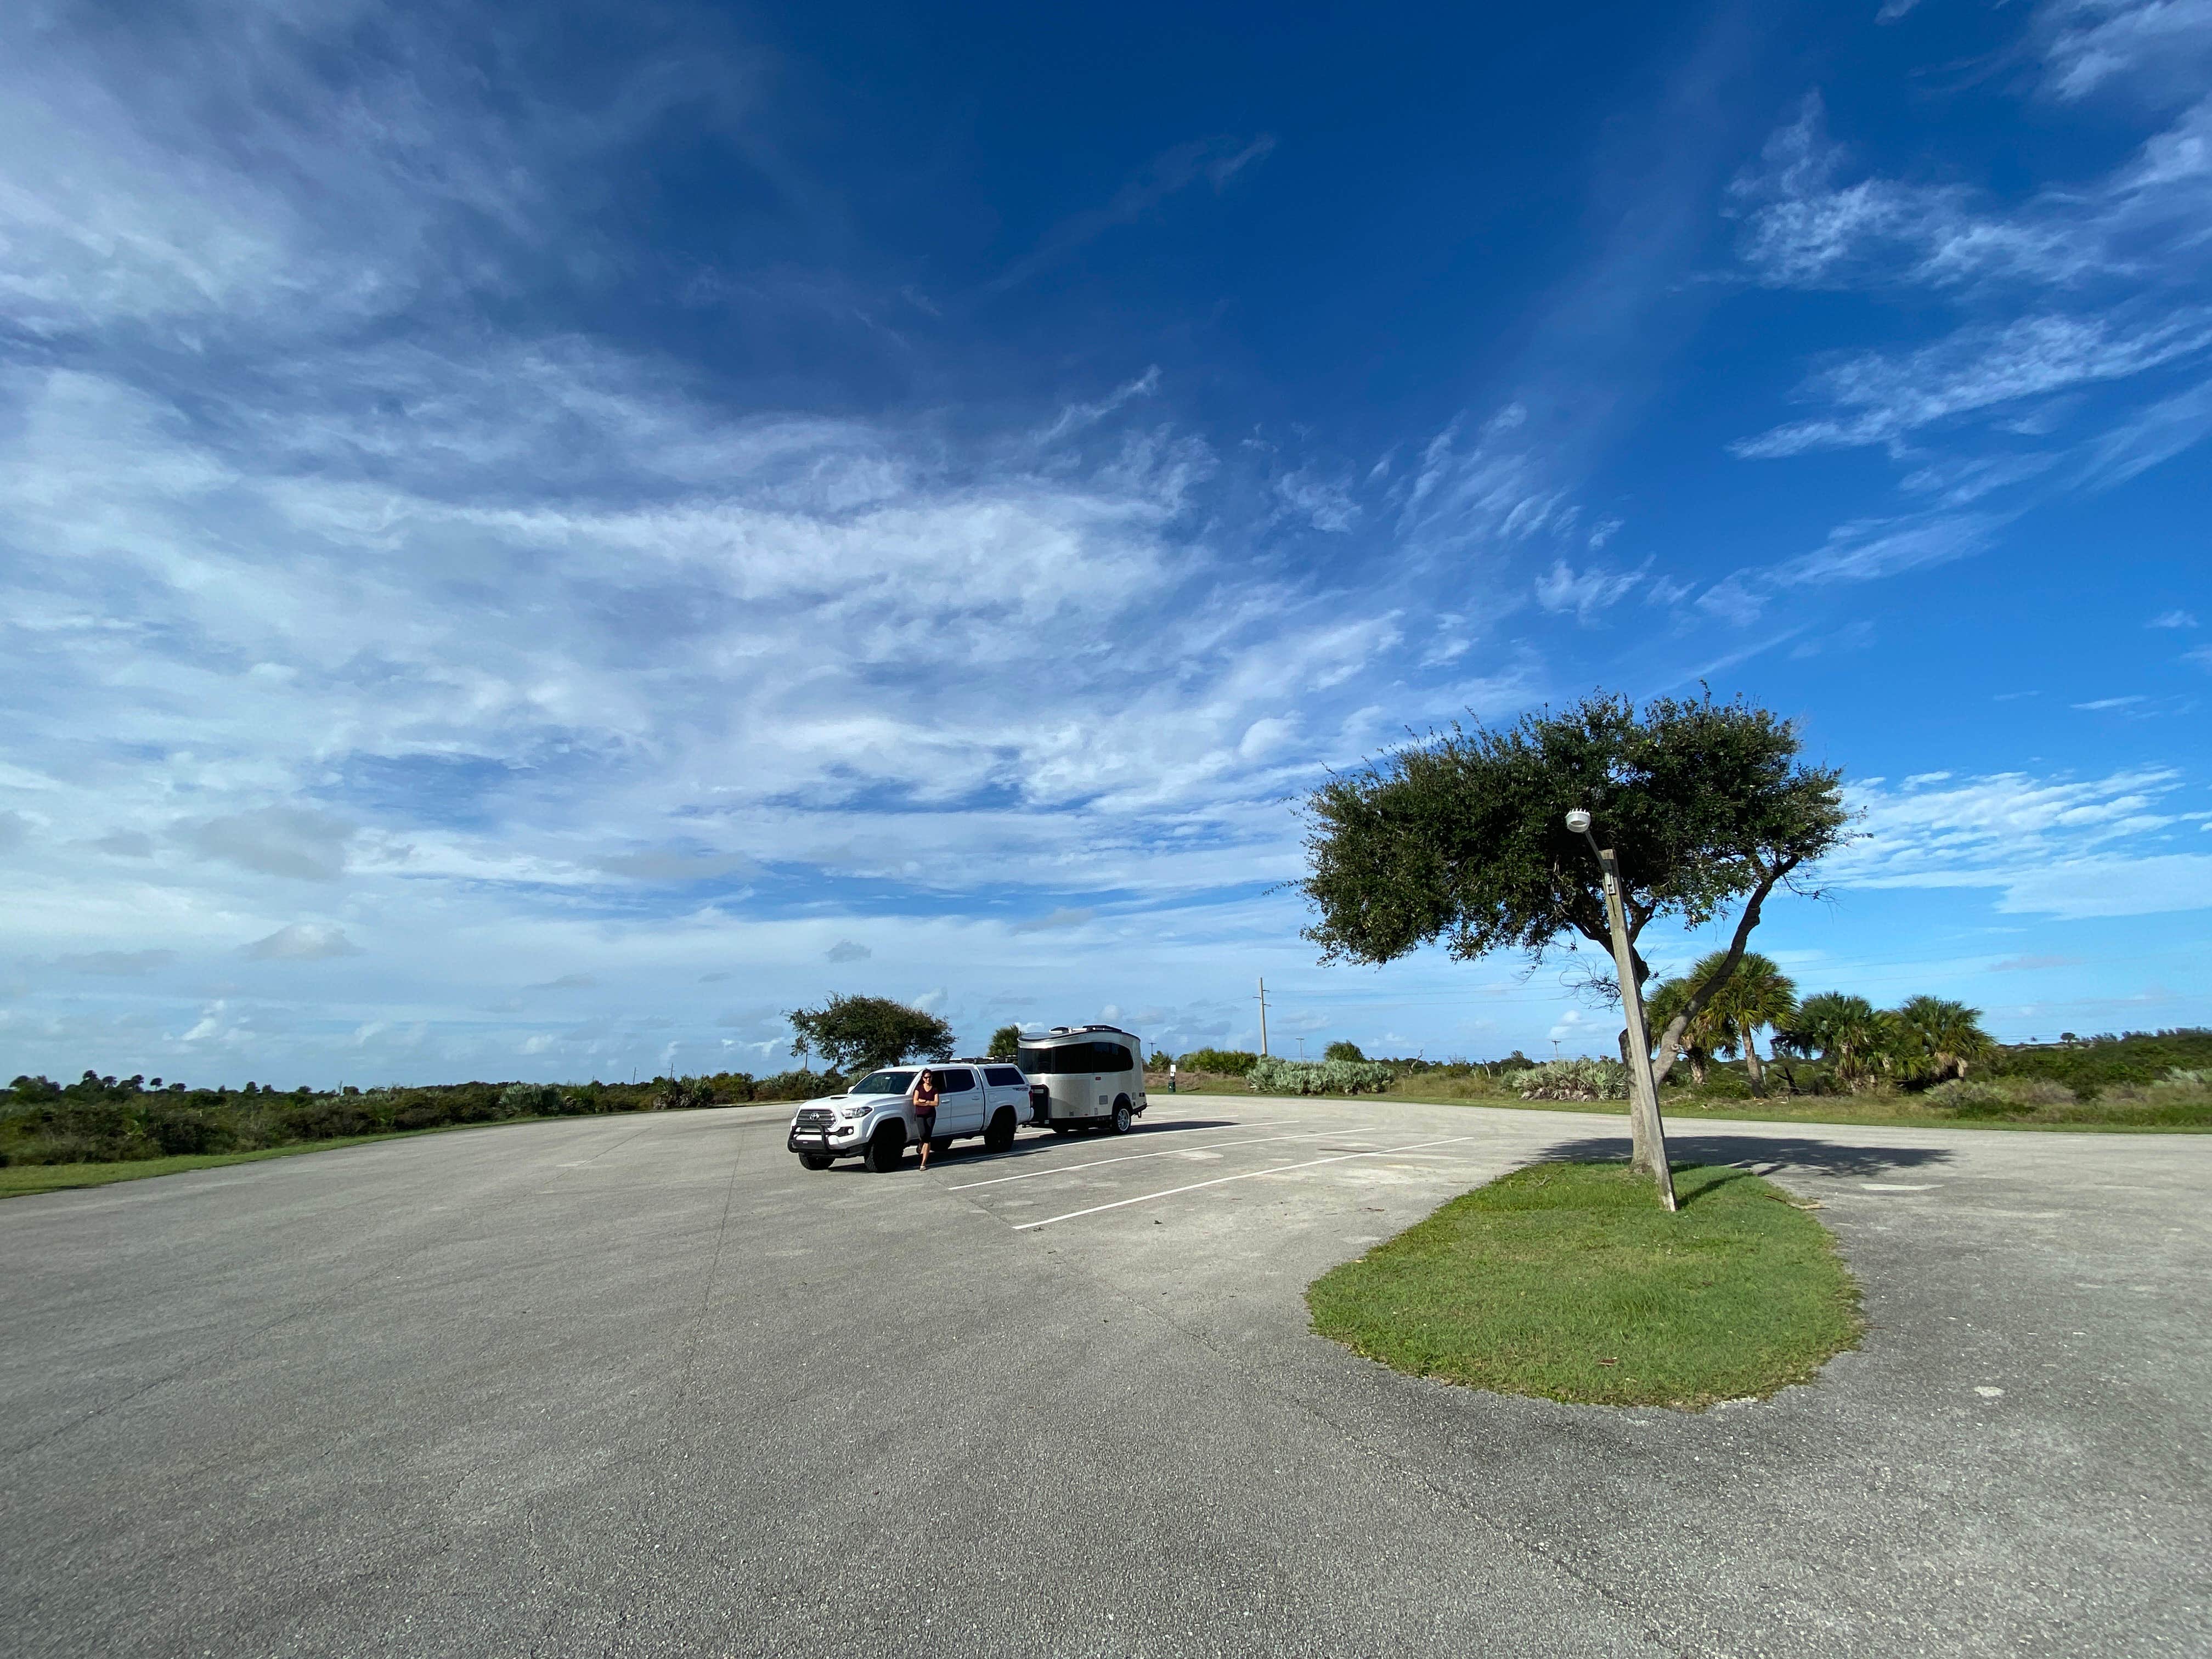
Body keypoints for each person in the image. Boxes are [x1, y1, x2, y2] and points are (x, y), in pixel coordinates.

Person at [911, 1068, 940, 1170]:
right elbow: (915, 1102)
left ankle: (923, 1163)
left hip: (931, 1115)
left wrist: (925, 1101)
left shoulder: (935, 1089)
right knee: (923, 1135)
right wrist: (927, 1102)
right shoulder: (919, 1088)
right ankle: (921, 1145)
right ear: (923, 1078)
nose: (928, 1079)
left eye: (930, 1077)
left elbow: (936, 1103)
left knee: (928, 1138)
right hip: (920, 1115)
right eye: (926, 1078)